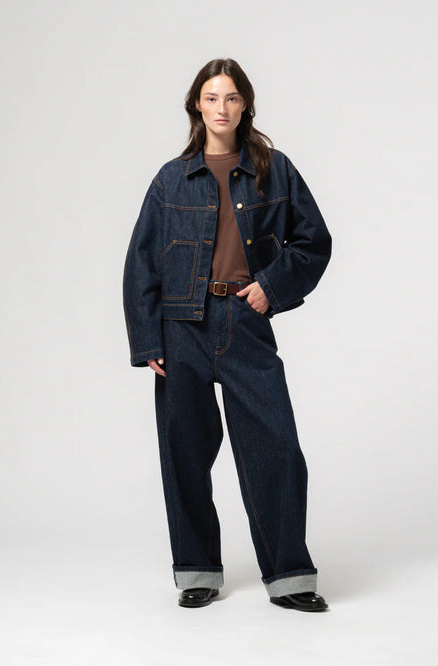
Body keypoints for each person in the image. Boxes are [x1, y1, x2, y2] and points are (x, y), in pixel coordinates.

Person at [122, 58, 332, 612]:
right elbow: (141, 263)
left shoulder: (273, 170)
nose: (222, 107)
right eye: (212, 97)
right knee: (184, 453)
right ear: (197, 105)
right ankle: (197, 571)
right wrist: (148, 342)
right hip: (181, 329)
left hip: (244, 321)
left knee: (276, 449)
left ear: (245, 106)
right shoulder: (171, 180)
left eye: (232, 97)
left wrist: (270, 287)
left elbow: (314, 241)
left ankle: (290, 577)